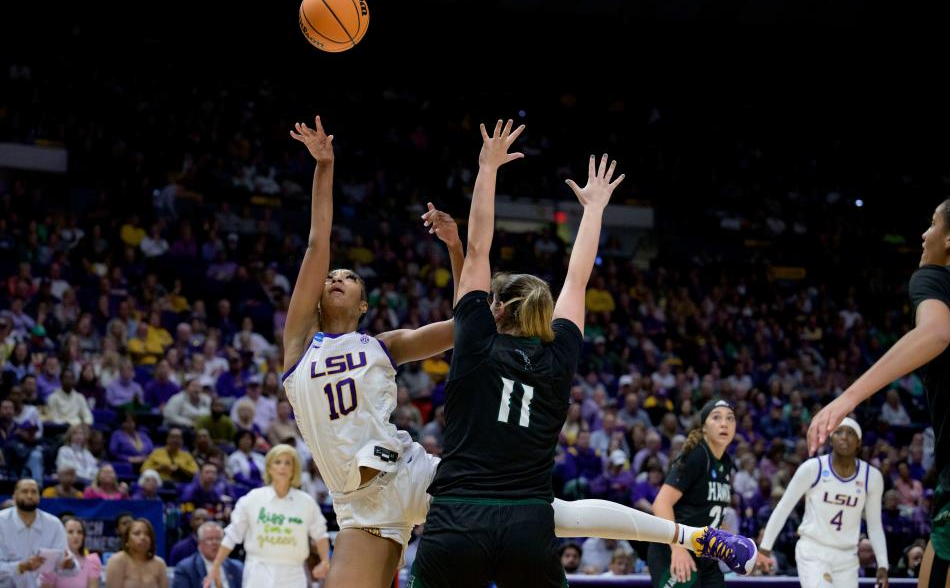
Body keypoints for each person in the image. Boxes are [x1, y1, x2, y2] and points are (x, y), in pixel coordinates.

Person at [281, 118, 754, 588]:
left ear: (365, 304)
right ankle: (690, 535)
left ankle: (690, 535)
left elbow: (465, 319)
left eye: (349, 278)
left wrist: (458, 244)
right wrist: (325, 167)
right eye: (331, 277)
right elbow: (318, 244)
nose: (336, 278)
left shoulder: (386, 345)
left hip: (416, 476)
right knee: (554, 512)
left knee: (556, 512)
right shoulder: (300, 344)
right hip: (364, 501)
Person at [808, 197, 950, 587]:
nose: (924, 234)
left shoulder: (937, 278)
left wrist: (849, 397)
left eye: (932, 224)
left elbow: (935, 333)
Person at [756, 418, 888, 587]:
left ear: (859, 442)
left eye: (850, 433)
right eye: (839, 432)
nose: (844, 437)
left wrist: (882, 563)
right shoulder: (813, 468)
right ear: (831, 438)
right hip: (813, 550)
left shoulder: (872, 477)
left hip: (848, 556)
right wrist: (765, 547)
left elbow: (875, 525)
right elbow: (783, 508)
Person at [204, 444, 329, 587]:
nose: (282, 467)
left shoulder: (306, 502)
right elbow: (233, 534)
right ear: (269, 467)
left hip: (293, 572)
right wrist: (216, 565)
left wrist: (325, 561)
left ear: (294, 469)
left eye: (288, 463)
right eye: (278, 462)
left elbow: (321, 534)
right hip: (258, 570)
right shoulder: (252, 498)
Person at [648, 400, 738, 587]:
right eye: (717, 418)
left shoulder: (726, 462)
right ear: (704, 427)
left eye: (730, 419)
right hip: (673, 548)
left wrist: (741, 546)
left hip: (705, 552)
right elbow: (661, 503)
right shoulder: (696, 455)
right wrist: (677, 548)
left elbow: (711, 514)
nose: (724, 423)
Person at [0, 479, 77, 588]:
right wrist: (21, 567)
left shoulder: (53, 524)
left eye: (34, 492)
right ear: (14, 496)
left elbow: (69, 569)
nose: (29, 496)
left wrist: (69, 565)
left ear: (39, 497)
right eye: (24, 491)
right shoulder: (1, 522)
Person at [173, 522, 243, 588]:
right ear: (200, 543)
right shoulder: (186, 569)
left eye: (218, 539)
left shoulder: (237, 567)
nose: (214, 543)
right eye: (209, 539)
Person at [104, 518, 168, 587]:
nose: (143, 537)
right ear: (127, 540)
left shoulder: (159, 564)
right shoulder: (117, 561)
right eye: (137, 533)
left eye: (147, 534)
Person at [40, 517, 101, 588]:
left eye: (79, 532)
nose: (76, 536)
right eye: (70, 532)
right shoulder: (52, 562)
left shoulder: (91, 562)